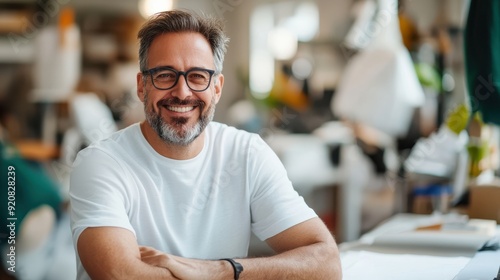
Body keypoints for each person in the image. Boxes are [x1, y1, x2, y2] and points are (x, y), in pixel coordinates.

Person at [69, 9, 342, 280]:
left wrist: (219, 270)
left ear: (217, 88)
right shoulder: (100, 163)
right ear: (142, 86)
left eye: (198, 76)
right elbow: (123, 276)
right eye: (165, 75)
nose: (182, 92)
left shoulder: (247, 154)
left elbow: (326, 265)